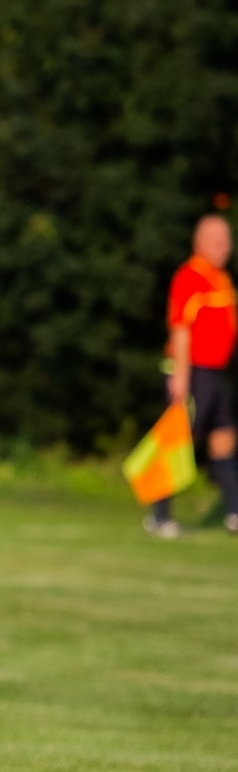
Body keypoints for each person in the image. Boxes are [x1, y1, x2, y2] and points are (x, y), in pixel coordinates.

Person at [145, 214, 238, 539]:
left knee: (225, 438)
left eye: (227, 241)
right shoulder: (190, 277)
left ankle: (233, 513)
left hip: (215, 374)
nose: (224, 247)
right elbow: (181, 330)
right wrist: (181, 377)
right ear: (198, 242)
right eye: (217, 241)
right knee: (179, 443)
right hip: (193, 371)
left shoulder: (221, 279)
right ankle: (159, 516)